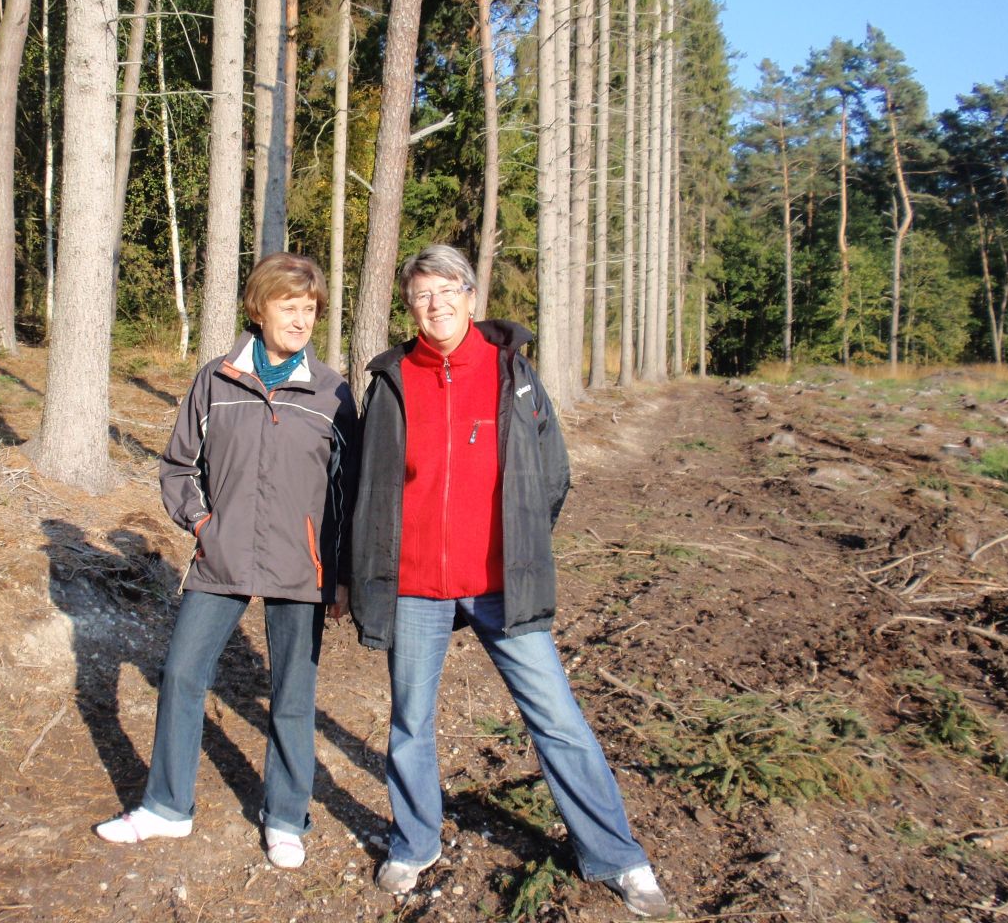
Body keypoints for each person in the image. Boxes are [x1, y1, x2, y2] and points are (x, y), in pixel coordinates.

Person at [346, 245, 671, 917]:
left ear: (471, 296)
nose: (435, 304)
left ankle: (616, 855)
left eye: (447, 290)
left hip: (500, 586)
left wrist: (521, 544)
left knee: (557, 719)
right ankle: (414, 841)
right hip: (416, 586)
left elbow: (552, 474)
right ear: (409, 306)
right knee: (410, 721)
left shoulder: (511, 373)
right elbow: (366, 484)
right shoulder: (391, 380)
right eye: (421, 295)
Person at [95, 253, 357, 870]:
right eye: (289, 307)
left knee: (292, 694)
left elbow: (350, 492)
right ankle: (166, 807)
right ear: (259, 309)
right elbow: (178, 465)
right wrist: (203, 524)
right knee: (183, 673)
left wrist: (342, 573)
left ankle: (285, 817)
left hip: (304, 565)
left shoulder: (333, 393)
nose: (301, 320)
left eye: (310, 309)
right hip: (223, 554)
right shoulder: (216, 379)